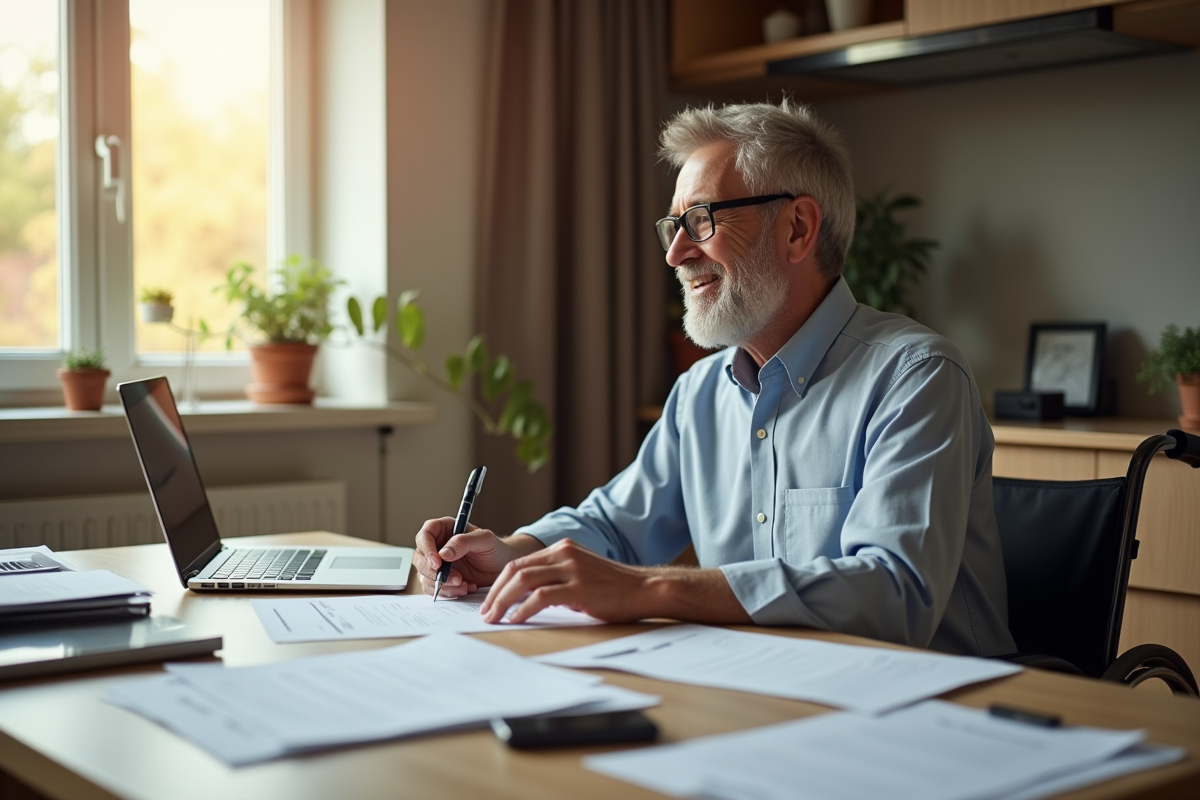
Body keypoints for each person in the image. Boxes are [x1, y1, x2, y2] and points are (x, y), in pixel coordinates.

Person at [415, 100, 1016, 656]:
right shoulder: (700, 394)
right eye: (672, 226)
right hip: (768, 694)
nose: (675, 254)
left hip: (937, 718)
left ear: (798, 229)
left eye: (699, 220)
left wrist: (650, 589)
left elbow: (894, 596)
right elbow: (613, 530)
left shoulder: (915, 378)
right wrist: (512, 555)